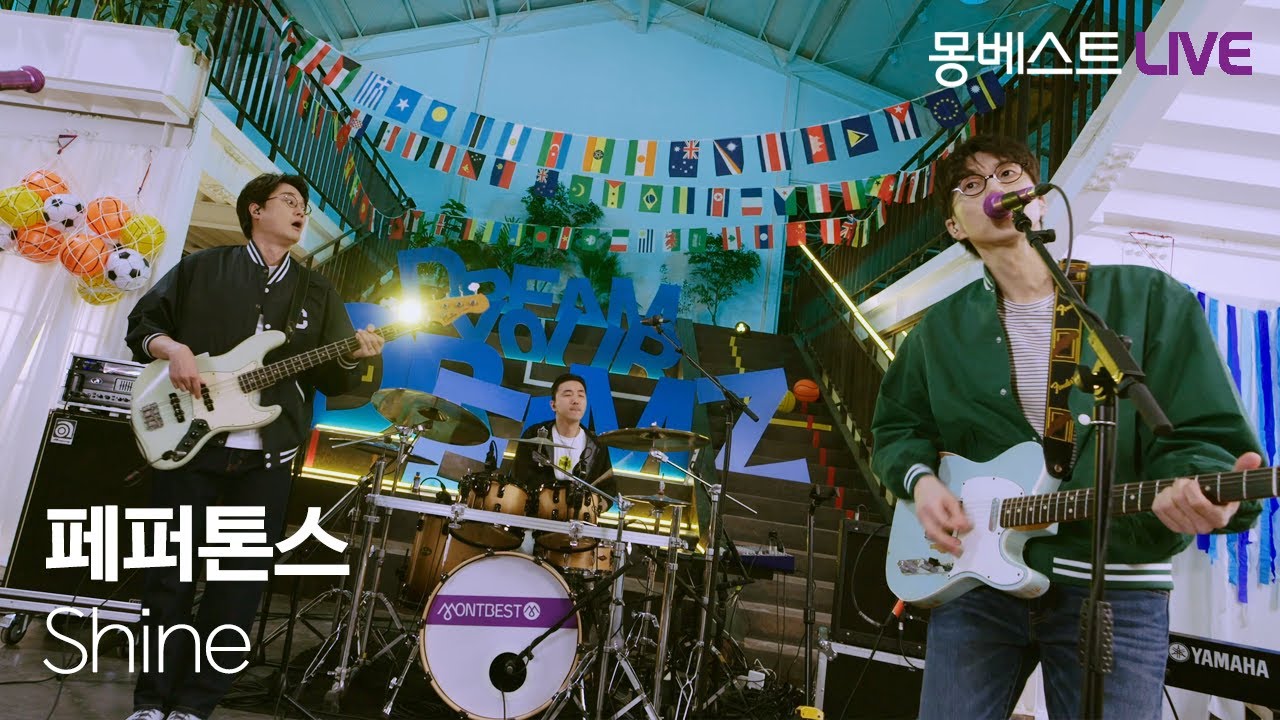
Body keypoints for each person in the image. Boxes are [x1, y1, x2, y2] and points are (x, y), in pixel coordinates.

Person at [870, 134, 1262, 720]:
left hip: (1115, 586)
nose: (995, 188)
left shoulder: (1148, 298)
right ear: (954, 227)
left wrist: (1200, 484)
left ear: (1039, 198)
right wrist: (921, 482)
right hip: (976, 585)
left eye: (1009, 174)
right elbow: (898, 428)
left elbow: (1201, 433)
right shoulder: (939, 331)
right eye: (972, 185)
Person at [123, 173, 384, 720]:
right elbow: (143, 323)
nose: (301, 211)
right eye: (289, 201)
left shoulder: (317, 291)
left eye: (304, 205)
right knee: (168, 577)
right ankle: (150, 701)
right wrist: (173, 349)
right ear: (255, 210)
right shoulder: (203, 268)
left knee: (236, 587)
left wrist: (355, 355)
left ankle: (194, 705)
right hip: (190, 448)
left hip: (266, 458)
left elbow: (335, 382)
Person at [512, 372, 616, 510]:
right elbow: (520, 477)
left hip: (579, 517)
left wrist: (598, 505)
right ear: (553, 405)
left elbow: (608, 488)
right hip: (537, 513)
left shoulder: (597, 445)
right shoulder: (535, 435)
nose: (575, 400)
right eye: (568, 395)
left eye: (581, 395)